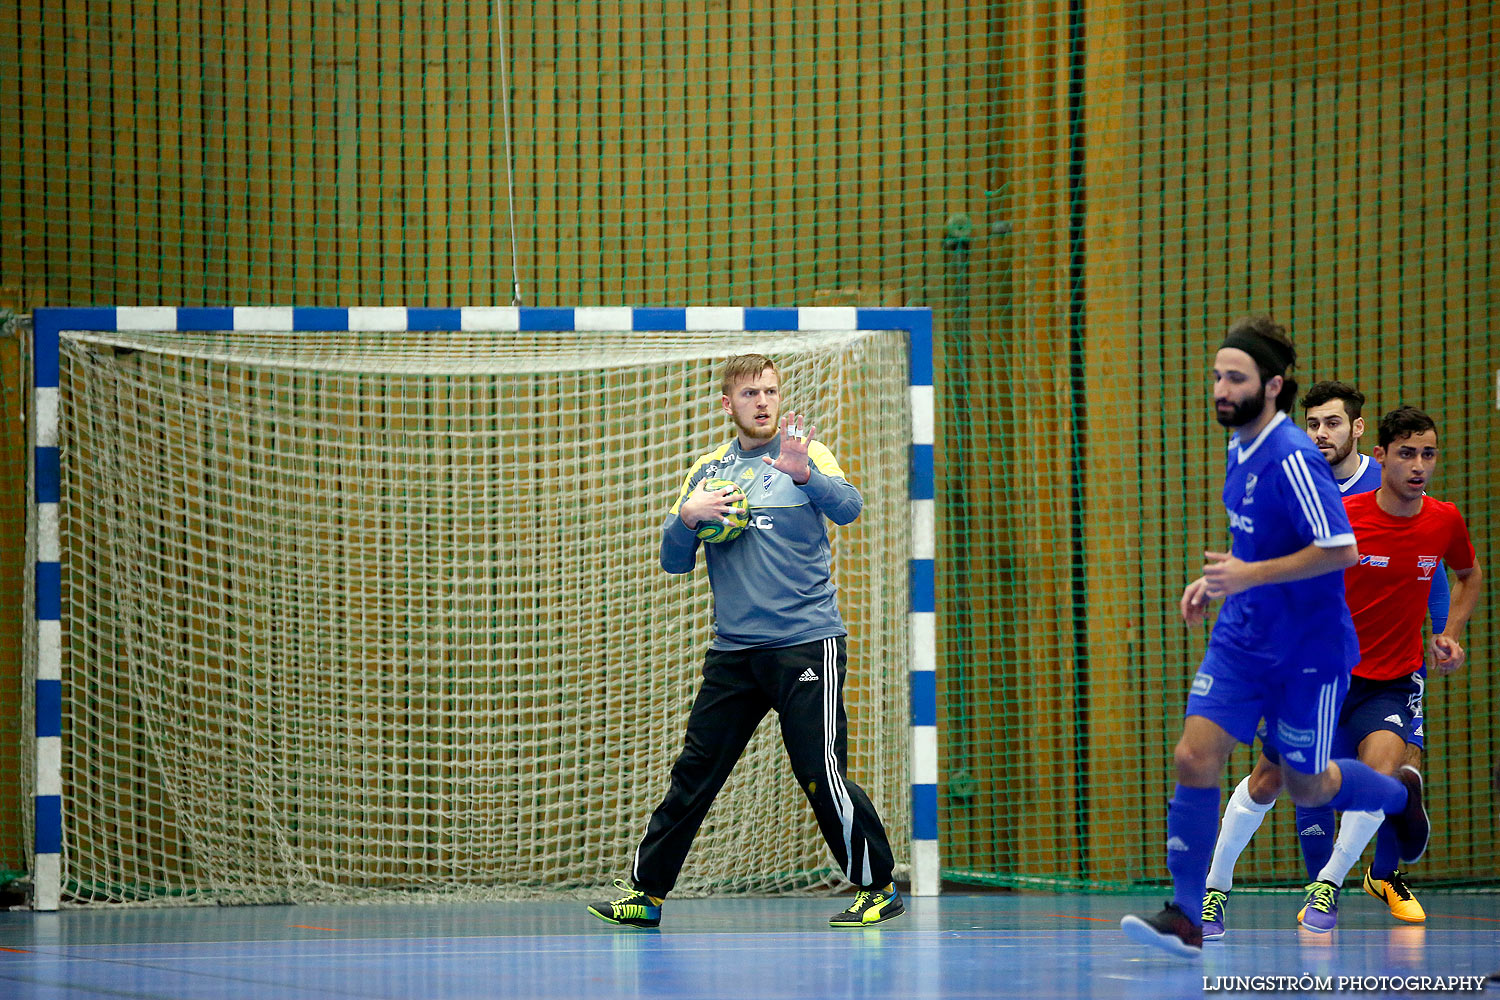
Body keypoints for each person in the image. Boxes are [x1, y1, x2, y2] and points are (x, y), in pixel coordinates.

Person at [1120, 317, 1429, 959]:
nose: (1220, 388)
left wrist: (1247, 573)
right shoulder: (1240, 446)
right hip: (1243, 637)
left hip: (1308, 651)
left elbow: (1340, 549)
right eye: (1216, 376)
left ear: (1272, 385)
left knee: (1307, 784)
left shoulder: (1294, 456)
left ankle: (1397, 795)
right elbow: (1257, 538)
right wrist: (1219, 584)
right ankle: (1187, 913)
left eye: (1235, 377)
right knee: (1193, 757)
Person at [587, 354, 903, 929]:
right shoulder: (709, 470)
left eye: (771, 392)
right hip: (733, 651)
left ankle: (877, 886)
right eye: (751, 393)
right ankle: (645, 895)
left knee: (819, 770)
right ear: (727, 404)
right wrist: (687, 516)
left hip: (807, 644)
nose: (763, 402)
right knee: (695, 773)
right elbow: (673, 562)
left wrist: (804, 474)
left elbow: (851, 508)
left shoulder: (807, 456)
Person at [1201, 390, 1466, 936]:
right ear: (1387, 454)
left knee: (1383, 769)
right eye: (1408, 454)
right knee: (1271, 779)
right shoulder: (1333, 513)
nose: (1418, 466)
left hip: (1391, 677)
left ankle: (1332, 884)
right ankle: (1214, 889)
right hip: (1321, 672)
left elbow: (1458, 573)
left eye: (1428, 455)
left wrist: (1447, 633)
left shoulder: (1436, 517)